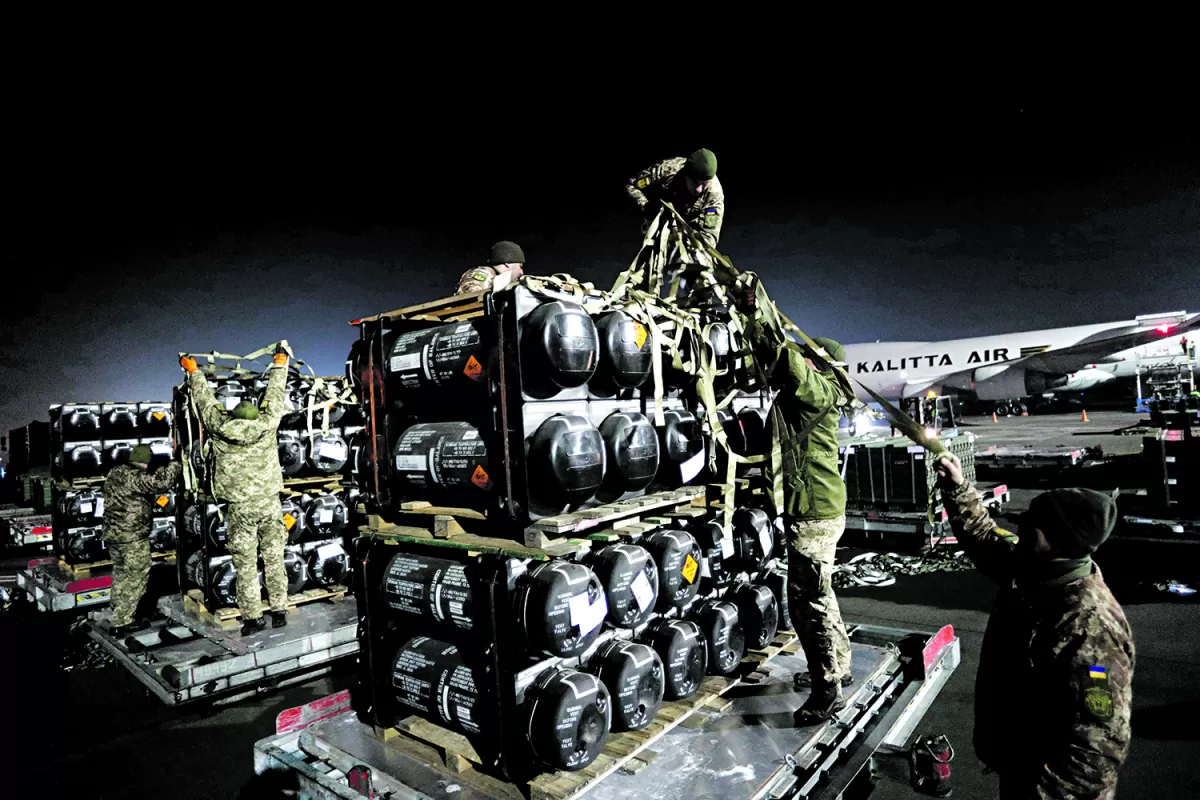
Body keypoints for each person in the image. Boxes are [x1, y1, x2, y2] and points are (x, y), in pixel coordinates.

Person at [934, 453, 1134, 799]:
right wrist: (957, 487)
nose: (1021, 523)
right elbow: (986, 539)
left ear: (1058, 539)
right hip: (1022, 767)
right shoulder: (1036, 567)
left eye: (1033, 521)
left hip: (1050, 787)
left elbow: (1096, 750)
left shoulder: (1090, 627)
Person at [743, 313, 854, 724]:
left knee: (809, 606)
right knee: (822, 597)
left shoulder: (817, 391)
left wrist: (756, 315)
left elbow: (788, 360)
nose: (801, 358)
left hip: (813, 515)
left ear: (818, 362)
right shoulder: (823, 392)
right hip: (820, 509)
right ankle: (839, 667)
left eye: (808, 355)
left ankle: (828, 691)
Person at [181, 348, 292, 635]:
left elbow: (205, 402)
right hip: (269, 504)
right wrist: (280, 364)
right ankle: (279, 610)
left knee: (245, 565)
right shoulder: (267, 425)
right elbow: (274, 395)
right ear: (256, 415)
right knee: (274, 559)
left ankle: (253, 618)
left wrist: (193, 371)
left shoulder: (220, 428)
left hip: (241, 509)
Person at [102, 444, 182, 635]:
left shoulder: (116, 472)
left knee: (121, 573)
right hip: (132, 537)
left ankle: (118, 609)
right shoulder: (135, 477)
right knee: (137, 576)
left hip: (114, 534)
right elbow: (161, 483)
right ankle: (122, 621)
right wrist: (175, 464)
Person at [625, 148, 725, 249]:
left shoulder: (714, 195)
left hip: (687, 235)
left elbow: (709, 236)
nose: (699, 189)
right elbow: (631, 185)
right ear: (685, 175)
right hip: (656, 224)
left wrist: (695, 248)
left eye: (705, 184)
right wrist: (645, 206)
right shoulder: (668, 169)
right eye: (694, 182)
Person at [455, 240, 526, 295]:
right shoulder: (484, 274)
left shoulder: (500, 280)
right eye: (520, 267)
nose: (521, 272)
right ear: (507, 264)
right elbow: (469, 299)